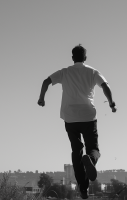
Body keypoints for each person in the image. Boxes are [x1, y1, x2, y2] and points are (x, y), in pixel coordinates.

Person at [37, 44, 116, 199]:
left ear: (72, 58)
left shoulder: (65, 72)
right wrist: (111, 103)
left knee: (76, 151)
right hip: (88, 116)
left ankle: (83, 189)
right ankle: (91, 159)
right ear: (85, 58)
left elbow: (46, 81)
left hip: (70, 117)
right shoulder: (92, 72)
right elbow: (105, 86)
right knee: (93, 149)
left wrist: (41, 99)